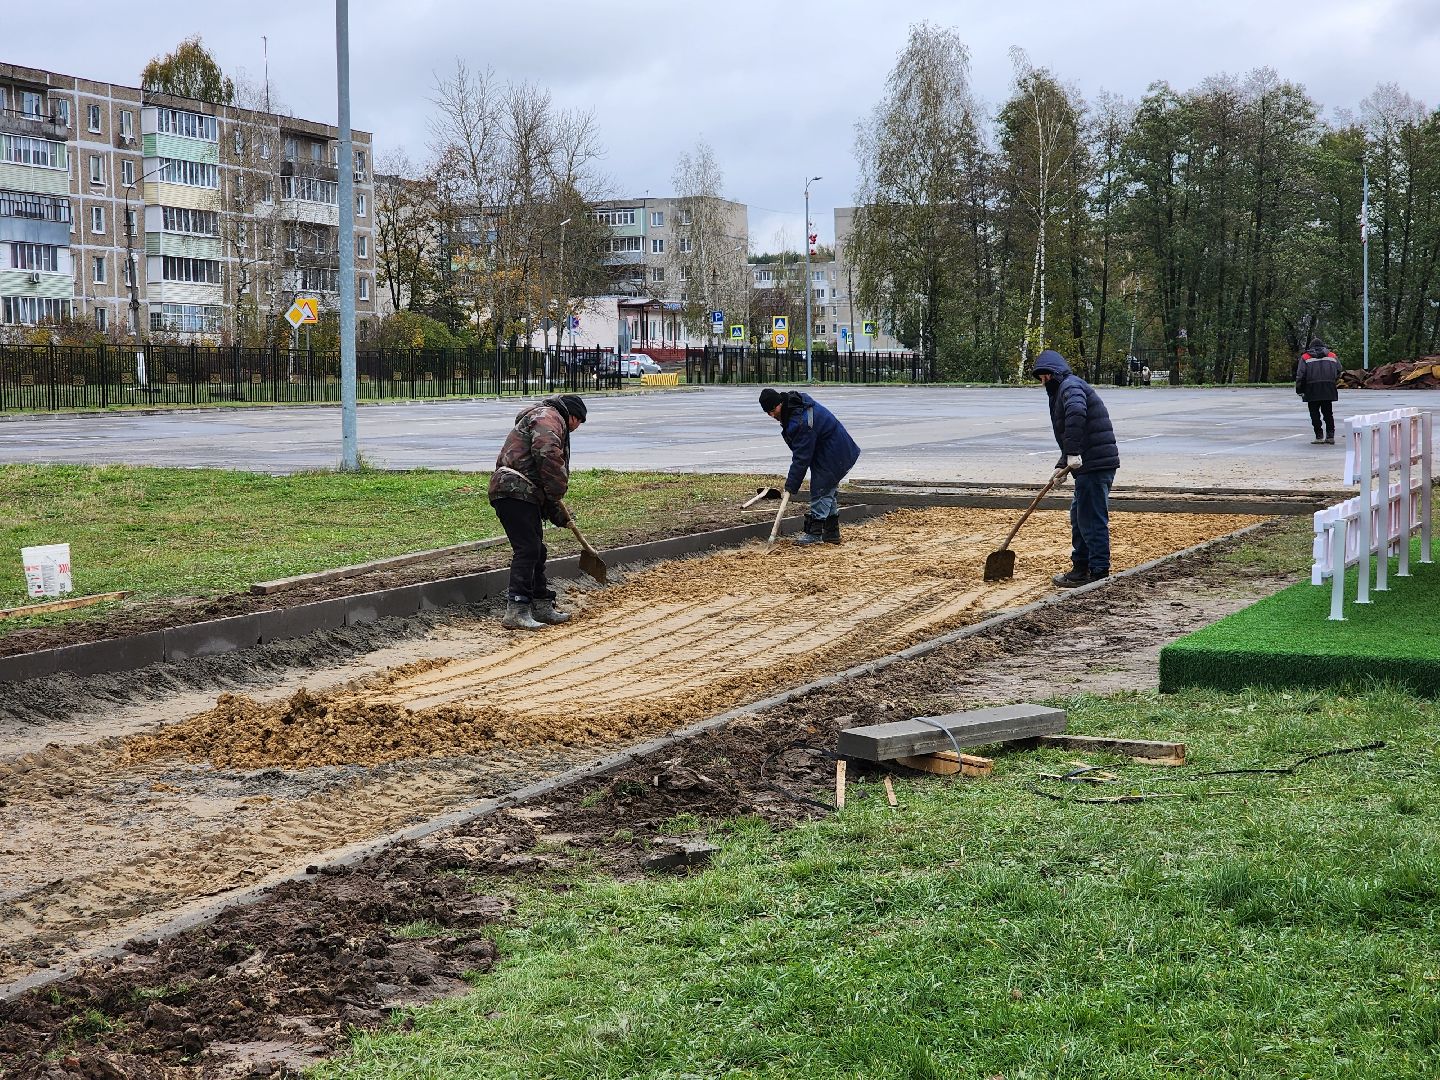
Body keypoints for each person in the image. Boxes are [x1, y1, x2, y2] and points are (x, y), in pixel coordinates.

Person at [487, 394, 586, 630]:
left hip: (525, 492)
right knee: (528, 549)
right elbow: (547, 454)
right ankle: (517, 610)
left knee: (537, 550)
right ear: (572, 415)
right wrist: (557, 492)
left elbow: (540, 474)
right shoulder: (548, 418)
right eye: (580, 421)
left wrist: (555, 508)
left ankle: (541, 604)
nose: (578, 427)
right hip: (513, 489)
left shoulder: (545, 417)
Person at [1032, 350, 1120, 588]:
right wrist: (1062, 464)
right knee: (1079, 517)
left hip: (1096, 464)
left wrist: (1072, 454)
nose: (1042, 381)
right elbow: (1071, 433)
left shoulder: (1070, 388)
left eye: (1044, 376)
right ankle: (1081, 567)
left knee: (1091, 519)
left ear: (1052, 374)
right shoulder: (1064, 388)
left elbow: (1077, 414)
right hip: (1090, 464)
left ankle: (1098, 572)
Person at [758, 387, 861, 545]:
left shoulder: (801, 421)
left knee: (820, 489)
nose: (772, 415)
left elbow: (801, 458)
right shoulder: (793, 409)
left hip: (835, 452)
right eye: (768, 413)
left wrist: (791, 485)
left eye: (773, 409)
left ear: (780, 403)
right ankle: (832, 532)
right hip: (829, 449)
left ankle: (815, 533)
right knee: (827, 490)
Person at [1296, 337, 1342, 444]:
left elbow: (1300, 375)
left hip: (1311, 389)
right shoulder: (1332, 356)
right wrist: (1332, 380)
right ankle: (1330, 436)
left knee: (1314, 413)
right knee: (1328, 413)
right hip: (1328, 388)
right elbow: (1339, 369)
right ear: (1323, 346)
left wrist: (1299, 389)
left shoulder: (1305, 357)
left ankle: (1319, 436)